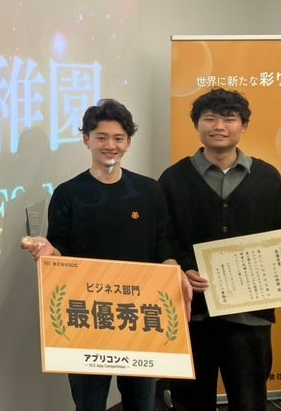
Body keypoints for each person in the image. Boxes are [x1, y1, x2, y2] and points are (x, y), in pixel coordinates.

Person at [21, 99, 189, 411]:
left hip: (140, 315)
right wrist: (49, 252)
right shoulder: (68, 193)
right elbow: (61, 250)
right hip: (86, 316)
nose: (110, 145)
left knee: (142, 402)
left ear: (128, 142)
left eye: (118, 138)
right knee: (89, 403)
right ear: (86, 140)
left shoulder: (149, 191)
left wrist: (172, 270)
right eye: (101, 137)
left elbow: (163, 243)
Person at [159, 88, 281, 411]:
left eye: (229, 118)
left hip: (250, 315)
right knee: (190, 401)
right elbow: (163, 236)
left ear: (244, 126)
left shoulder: (267, 176)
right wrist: (182, 267)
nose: (219, 126)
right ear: (196, 125)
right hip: (193, 313)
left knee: (249, 400)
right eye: (210, 118)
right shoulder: (173, 179)